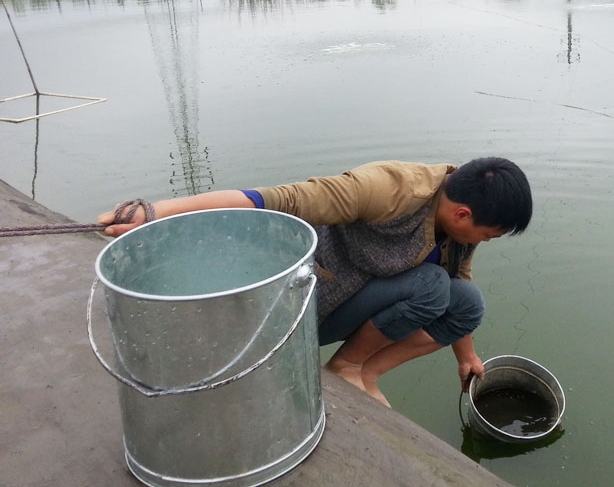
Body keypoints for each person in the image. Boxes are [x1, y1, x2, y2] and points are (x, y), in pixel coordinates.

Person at [97, 158, 532, 407]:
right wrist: (157, 213)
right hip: (304, 308)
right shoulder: (391, 190)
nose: (484, 243)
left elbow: (460, 278)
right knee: (432, 286)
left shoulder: (457, 229)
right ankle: (343, 368)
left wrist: (467, 357)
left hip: (362, 307)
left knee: (466, 302)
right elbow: (272, 200)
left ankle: (367, 372)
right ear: (463, 215)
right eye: (488, 235)